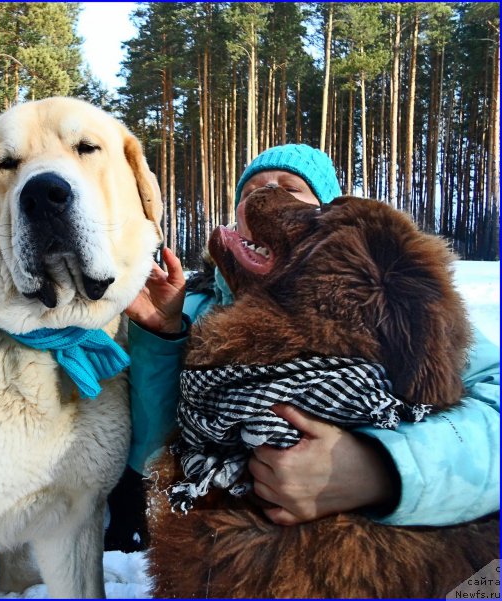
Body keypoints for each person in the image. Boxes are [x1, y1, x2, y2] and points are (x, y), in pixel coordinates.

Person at [104, 144, 500, 551]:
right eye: (252, 191)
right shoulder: (197, 304)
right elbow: (154, 452)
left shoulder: (386, 303)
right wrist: (165, 334)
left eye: (289, 189)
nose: (266, 195)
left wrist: (380, 468)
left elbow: (495, 403)